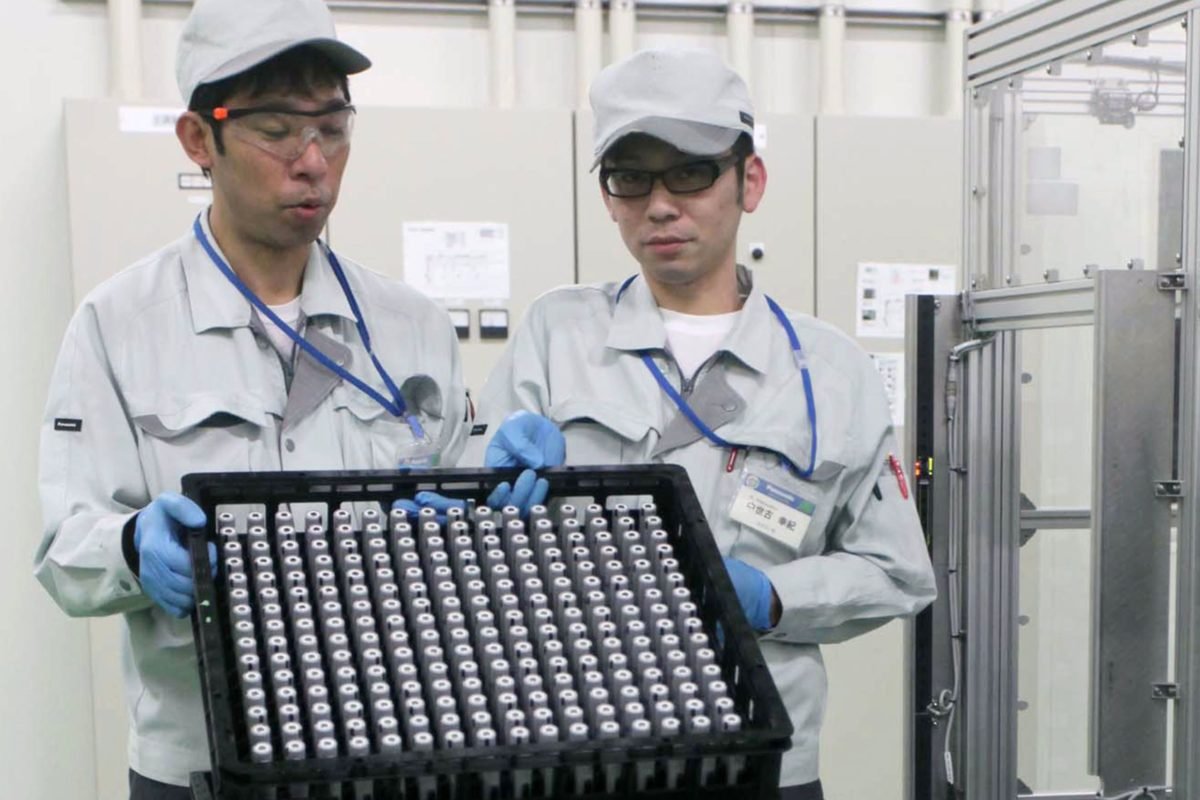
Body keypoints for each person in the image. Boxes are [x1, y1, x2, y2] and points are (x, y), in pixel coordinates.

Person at [464, 48, 938, 798]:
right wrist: (487, 479)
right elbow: (462, 528)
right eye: (630, 178)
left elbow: (896, 573)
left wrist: (773, 597)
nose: (659, 205)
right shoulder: (558, 335)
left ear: (750, 181)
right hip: (577, 747)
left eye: (690, 173)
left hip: (759, 759)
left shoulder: (828, 371)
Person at [33, 1, 473, 796]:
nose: (314, 162)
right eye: (276, 129)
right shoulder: (119, 324)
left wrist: (470, 529)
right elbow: (66, 549)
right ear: (198, 139)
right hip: (198, 765)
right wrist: (132, 544)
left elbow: (463, 507)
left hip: (386, 752)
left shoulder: (412, 327)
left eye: (332, 127)